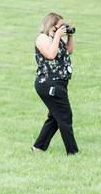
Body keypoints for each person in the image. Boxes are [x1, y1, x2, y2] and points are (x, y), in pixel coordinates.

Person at [32, 12, 78, 155]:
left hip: (59, 83)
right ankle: (72, 152)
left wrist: (70, 35)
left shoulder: (56, 39)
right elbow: (50, 55)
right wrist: (58, 36)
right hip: (49, 83)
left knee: (55, 117)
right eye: (60, 26)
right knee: (65, 116)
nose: (62, 29)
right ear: (52, 26)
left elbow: (69, 51)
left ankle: (38, 147)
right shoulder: (42, 38)